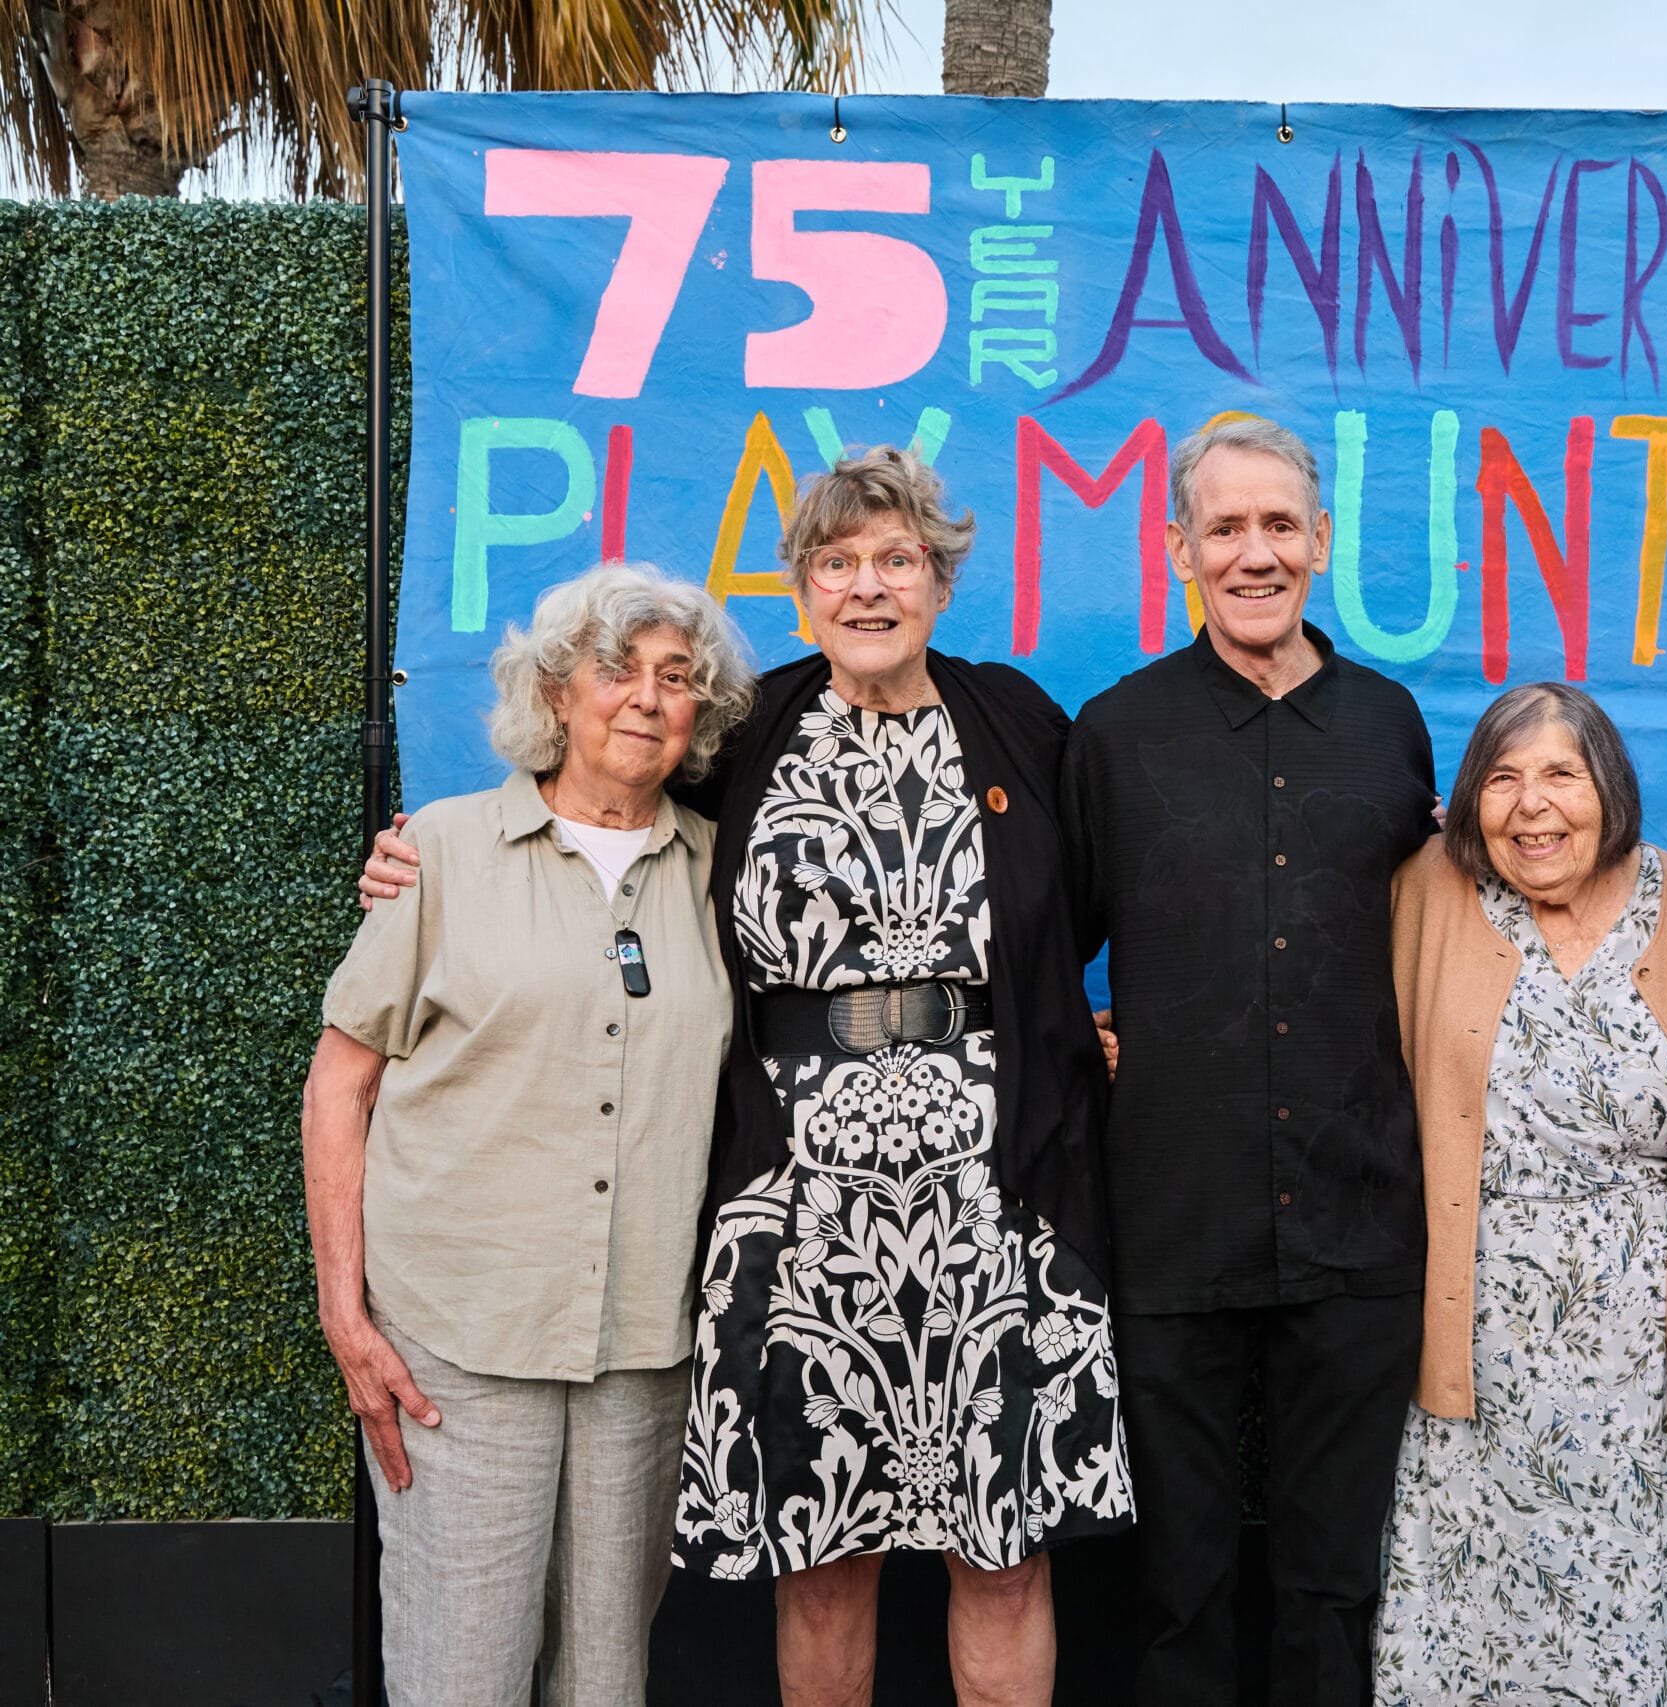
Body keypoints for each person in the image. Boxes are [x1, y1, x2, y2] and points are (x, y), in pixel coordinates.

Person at [366, 448, 1131, 1707]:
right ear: (802, 590)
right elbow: (598, 801)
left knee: (1003, 1560)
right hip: (798, 1200)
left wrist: (1107, 1025)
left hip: (997, 1200)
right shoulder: (752, 728)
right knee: (820, 1560)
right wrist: (426, 856)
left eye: (896, 559)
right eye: (837, 562)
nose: (868, 586)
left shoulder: (1018, 721)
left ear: (940, 582)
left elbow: (1100, 894)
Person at [306, 562, 756, 1706]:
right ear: (557, 691)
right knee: (462, 1675)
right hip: (459, 1345)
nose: (647, 697)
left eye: (677, 677)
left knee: (607, 1677)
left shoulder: (722, 875)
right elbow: (339, 1087)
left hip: (643, 1349)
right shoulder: (443, 852)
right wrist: (346, 1317)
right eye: (617, 669)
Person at [1060, 417, 1440, 1706]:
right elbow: (1048, 946)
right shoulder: (1116, 735)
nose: (1254, 552)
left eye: (1279, 524)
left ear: (1320, 541)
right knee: (1181, 1586)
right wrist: (1081, 1036)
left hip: (1358, 1221)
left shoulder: (1388, 725)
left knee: (1333, 1586)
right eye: (1224, 527)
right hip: (1174, 1224)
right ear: (1180, 550)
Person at [1371, 683, 1667, 1704]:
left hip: (1645, 1337)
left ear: (1609, 787)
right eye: (1502, 778)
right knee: (1475, 1595)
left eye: (1560, 775)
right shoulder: (1423, 892)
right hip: (1475, 1322)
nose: (1531, 805)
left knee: (1629, 1584)